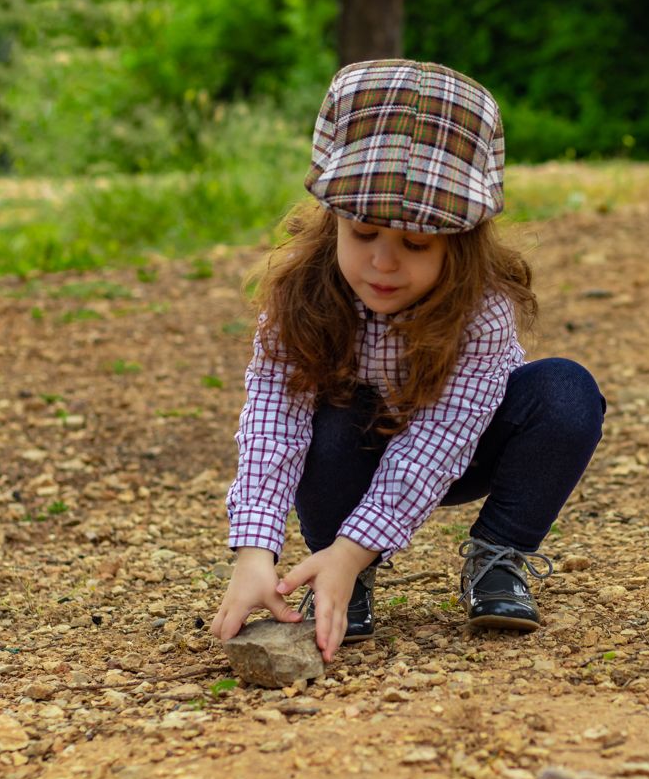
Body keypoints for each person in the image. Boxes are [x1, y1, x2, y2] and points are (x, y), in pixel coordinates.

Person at [210, 60, 605, 662]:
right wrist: (254, 552)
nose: (383, 263)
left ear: (462, 241)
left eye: (416, 244)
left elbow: (442, 439)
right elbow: (273, 419)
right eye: (363, 234)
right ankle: (341, 576)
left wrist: (360, 541)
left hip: (463, 446)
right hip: (352, 454)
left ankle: (497, 558)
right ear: (333, 219)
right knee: (335, 408)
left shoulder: (482, 311)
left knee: (567, 392)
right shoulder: (301, 297)